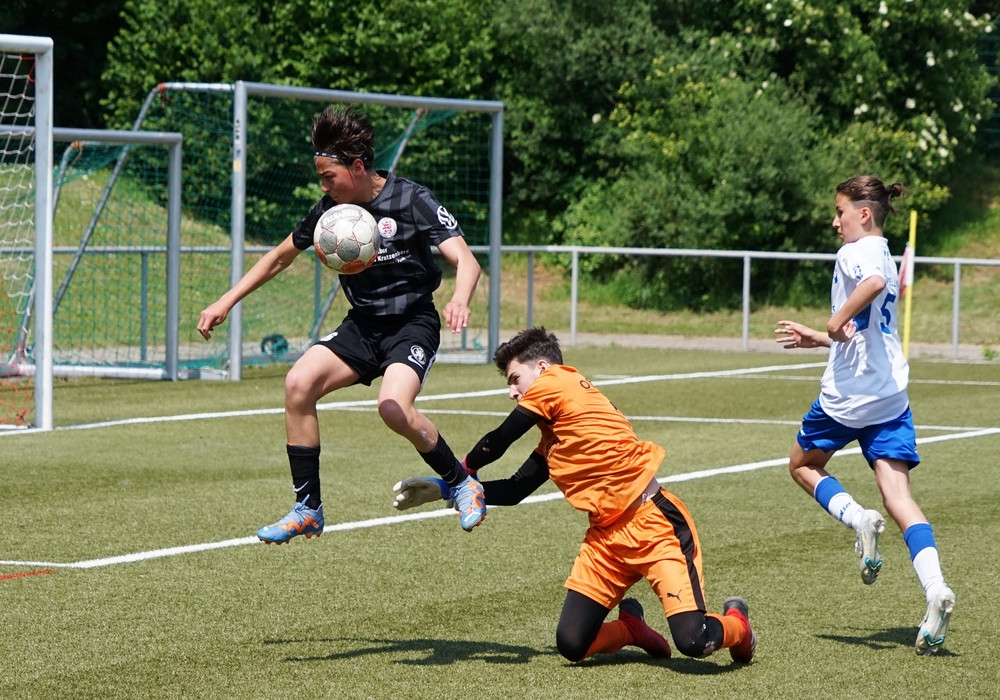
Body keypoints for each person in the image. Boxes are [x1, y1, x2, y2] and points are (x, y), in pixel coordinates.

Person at [197, 105, 487, 542]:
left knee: (393, 408)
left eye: (328, 176)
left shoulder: (411, 199)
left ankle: (462, 483)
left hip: (411, 323)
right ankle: (307, 509)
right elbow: (279, 257)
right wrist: (226, 300)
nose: (324, 186)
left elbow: (465, 259)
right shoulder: (330, 214)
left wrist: (459, 298)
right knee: (298, 384)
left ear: (357, 166)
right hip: (362, 325)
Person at [392, 327, 756, 665]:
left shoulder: (556, 380)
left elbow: (500, 438)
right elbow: (517, 489)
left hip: (653, 525)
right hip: (606, 539)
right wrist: (446, 489)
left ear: (542, 367)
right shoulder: (558, 429)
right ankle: (631, 628)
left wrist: (460, 473)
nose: (512, 392)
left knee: (693, 640)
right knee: (572, 644)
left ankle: (738, 624)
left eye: (515, 379)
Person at [774, 175, 955, 655]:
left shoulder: (855, 252)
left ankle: (857, 519)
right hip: (890, 394)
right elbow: (866, 325)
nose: (836, 222)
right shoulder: (885, 251)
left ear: (864, 214)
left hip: (848, 396)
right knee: (900, 496)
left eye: (840, 212)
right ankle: (936, 588)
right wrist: (821, 336)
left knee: (802, 464)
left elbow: (870, 287)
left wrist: (833, 322)